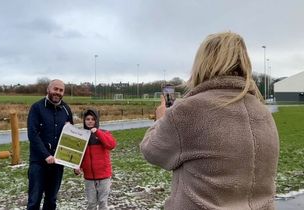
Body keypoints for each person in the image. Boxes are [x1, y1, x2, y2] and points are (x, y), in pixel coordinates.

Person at [140, 32, 279, 209]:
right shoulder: (263, 112)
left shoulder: (189, 110)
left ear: (202, 62)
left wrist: (161, 119)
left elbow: (152, 151)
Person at [27, 79, 73, 210]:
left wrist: (75, 162)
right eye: (55, 89)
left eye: (61, 90)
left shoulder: (66, 109)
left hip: (58, 162)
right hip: (39, 162)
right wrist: (46, 155)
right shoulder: (37, 108)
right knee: (34, 200)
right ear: (48, 89)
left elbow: (72, 137)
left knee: (51, 200)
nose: (57, 92)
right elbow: (33, 134)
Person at [74, 108, 117, 210]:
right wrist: (76, 167)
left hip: (104, 176)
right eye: (87, 119)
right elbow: (78, 155)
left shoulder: (104, 133)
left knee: (102, 202)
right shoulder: (81, 135)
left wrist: (97, 132)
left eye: (93, 119)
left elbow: (111, 145)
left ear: (96, 121)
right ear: (84, 121)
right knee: (91, 203)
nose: (90, 121)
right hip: (89, 177)